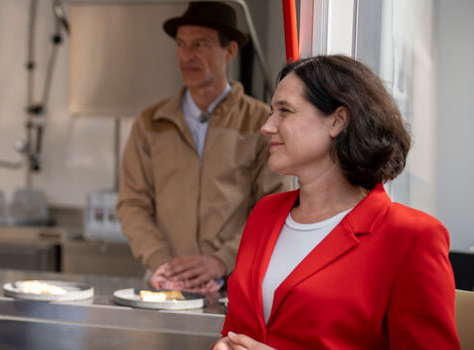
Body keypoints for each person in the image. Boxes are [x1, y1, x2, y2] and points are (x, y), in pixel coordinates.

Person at [214, 55, 459, 349]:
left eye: (284, 111)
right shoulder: (265, 213)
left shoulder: (412, 236)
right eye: (271, 112)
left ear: (338, 120)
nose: (267, 127)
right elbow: (236, 332)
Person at [117, 1, 289, 293]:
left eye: (200, 44)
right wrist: (164, 264)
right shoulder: (151, 122)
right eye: (181, 44)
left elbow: (275, 205)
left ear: (230, 51)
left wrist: (222, 261)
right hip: (165, 284)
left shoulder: (262, 122)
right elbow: (133, 204)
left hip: (236, 284)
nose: (187, 55)